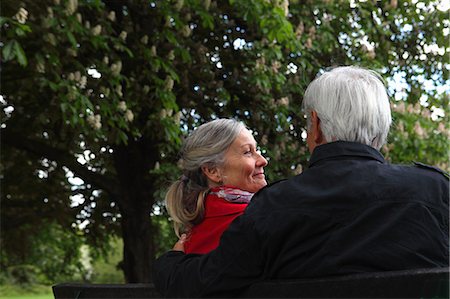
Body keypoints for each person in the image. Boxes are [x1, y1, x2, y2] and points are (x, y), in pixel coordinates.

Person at [153, 66, 449, 298]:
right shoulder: (438, 192)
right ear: (383, 129)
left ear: (316, 126)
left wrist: (170, 263)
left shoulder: (273, 207)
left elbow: (202, 284)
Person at [165, 118, 268, 254]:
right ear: (213, 171)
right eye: (247, 152)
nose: (263, 161)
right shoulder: (260, 219)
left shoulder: (192, 236)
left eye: (257, 150)